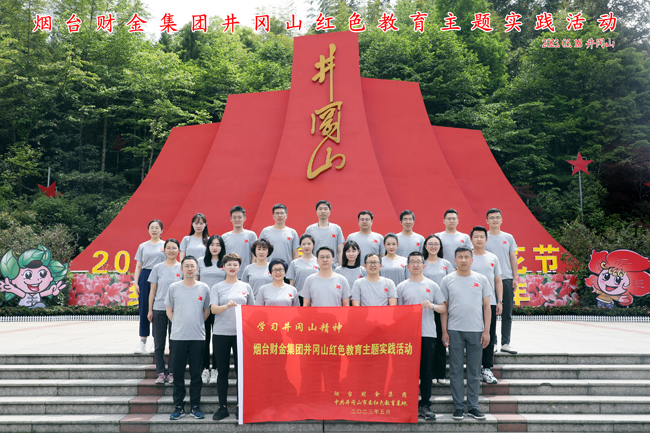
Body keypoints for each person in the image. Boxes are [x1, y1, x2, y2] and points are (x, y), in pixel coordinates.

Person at [441, 246, 491, 421]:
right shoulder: (447, 280)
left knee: (474, 371)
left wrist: (487, 331)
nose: (463, 260)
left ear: (472, 260)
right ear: (455, 260)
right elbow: (444, 308)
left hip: (476, 330)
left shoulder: (481, 279)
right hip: (454, 330)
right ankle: (458, 407)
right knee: (455, 370)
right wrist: (444, 331)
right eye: (460, 257)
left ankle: (473, 406)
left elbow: (487, 307)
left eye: (466, 257)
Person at [396, 252, 447, 420]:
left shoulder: (432, 285)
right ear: (408, 266)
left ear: (423, 266)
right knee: (408, 372)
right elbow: (397, 313)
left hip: (428, 334)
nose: (416, 265)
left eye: (418, 262)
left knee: (426, 372)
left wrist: (432, 306)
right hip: (408, 335)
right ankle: (408, 403)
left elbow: (444, 308)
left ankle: (425, 404)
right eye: (412, 262)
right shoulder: (401, 286)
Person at [210, 253, 256, 421]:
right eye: (229, 264)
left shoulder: (246, 286)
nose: (232, 267)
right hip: (221, 333)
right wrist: (226, 306)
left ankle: (239, 405)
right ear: (223, 267)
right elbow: (213, 309)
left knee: (240, 372)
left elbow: (252, 311)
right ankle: (222, 407)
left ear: (239, 267)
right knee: (222, 372)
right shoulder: (217, 287)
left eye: (235, 264)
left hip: (241, 335)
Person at [166, 255, 211, 421]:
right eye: (187, 266)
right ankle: (178, 407)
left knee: (196, 374)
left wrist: (196, 324)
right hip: (178, 337)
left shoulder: (204, 287)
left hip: (197, 337)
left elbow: (206, 311)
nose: (190, 269)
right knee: (178, 373)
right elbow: (169, 310)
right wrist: (179, 324)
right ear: (182, 269)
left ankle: (195, 406)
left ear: (197, 269)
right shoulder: (174, 287)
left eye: (192, 266)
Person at [469, 226, 503, 385]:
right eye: (476, 236)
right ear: (471, 239)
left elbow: (498, 280)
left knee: (488, 333)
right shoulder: (466, 257)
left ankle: (487, 368)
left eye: (481, 236)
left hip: (489, 302)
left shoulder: (492, 258)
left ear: (486, 239)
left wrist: (500, 300)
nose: (479, 239)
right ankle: (472, 367)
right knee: (471, 335)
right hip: (469, 303)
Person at [484, 208, 519, 355]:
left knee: (506, 313)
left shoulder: (508, 237)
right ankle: (493, 342)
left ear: (501, 220)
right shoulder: (483, 237)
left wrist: (515, 277)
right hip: (488, 280)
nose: (495, 220)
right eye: (492, 217)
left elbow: (513, 258)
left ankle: (506, 343)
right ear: (487, 220)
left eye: (497, 217)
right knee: (490, 312)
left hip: (505, 278)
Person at [147, 238, 182, 384]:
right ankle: (161, 373)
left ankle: (172, 372)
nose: (171, 250)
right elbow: (152, 290)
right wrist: (150, 310)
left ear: (179, 250)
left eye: (174, 248)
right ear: (164, 250)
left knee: (174, 343)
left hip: (177, 311)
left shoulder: (182, 267)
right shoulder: (158, 268)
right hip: (159, 308)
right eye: (169, 248)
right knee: (159, 343)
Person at [422, 234, 453, 385]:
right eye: (430, 244)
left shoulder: (445, 264)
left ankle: (441, 373)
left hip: (442, 306)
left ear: (440, 247)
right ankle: (430, 373)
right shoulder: (421, 263)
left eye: (436, 244)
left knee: (441, 338)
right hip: (425, 306)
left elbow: (451, 283)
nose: (433, 246)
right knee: (428, 342)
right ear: (425, 246)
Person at [133, 219, 166, 354]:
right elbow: (138, 266)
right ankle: (142, 342)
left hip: (161, 276)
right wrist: (136, 283)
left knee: (158, 310)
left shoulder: (165, 245)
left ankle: (156, 341)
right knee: (144, 309)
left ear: (161, 230)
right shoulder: (143, 246)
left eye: (157, 227)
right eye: (152, 227)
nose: (154, 230)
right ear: (148, 230)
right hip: (145, 276)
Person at [198, 235, 226, 385]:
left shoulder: (225, 262)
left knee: (217, 338)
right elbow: (196, 282)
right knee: (204, 337)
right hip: (203, 305)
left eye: (218, 244)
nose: (215, 247)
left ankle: (215, 368)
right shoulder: (201, 261)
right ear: (208, 246)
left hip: (220, 306)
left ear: (222, 247)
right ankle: (205, 369)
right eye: (212, 244)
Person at [305, 200, 345, 266]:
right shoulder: (310, 229)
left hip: (332, 267)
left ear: (330, 212)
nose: (323, 211)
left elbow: (340, 251)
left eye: (325, 209)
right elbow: (306, 250)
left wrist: (340, 266)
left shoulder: (336, 229)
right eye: (320, 209)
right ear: (316, 211)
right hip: (314, 266)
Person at [222, 206, 257, 279]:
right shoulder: (224, 237)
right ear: (231, 219)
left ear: (244, 218)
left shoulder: (251, 235)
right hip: (229, 275)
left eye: (240, 217)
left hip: (246, 276)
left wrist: (251, 270)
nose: (237, 220)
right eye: (234, 217)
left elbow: (254, 255)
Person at [287, 234, 319, 305]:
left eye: (309, 243)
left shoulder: (319, 261)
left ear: (313, 245)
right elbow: (292, 284)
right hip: (299, 297)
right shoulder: (294, 263)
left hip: (315, 297)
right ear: (300, 246)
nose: (306, 246)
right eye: (303, 244)